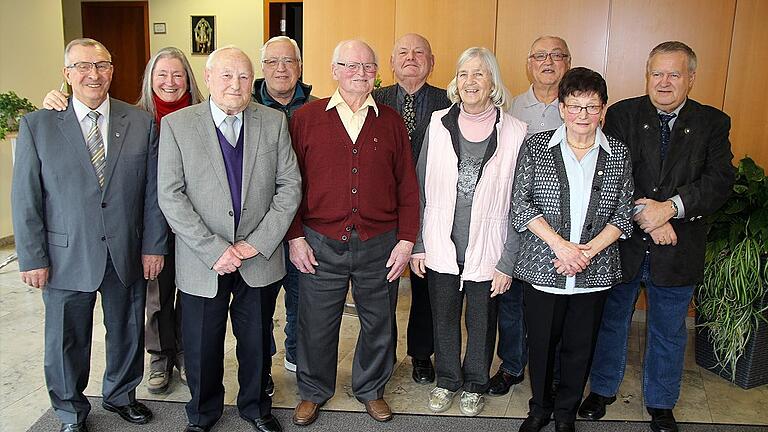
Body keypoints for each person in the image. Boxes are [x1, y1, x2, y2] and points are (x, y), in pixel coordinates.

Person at [12, 38, 168, 432]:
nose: (93, 74)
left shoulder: (140, 123)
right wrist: (32, 257)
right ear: (67, 75)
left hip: (125, 252)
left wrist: (152, 246)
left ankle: (120, 395)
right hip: (65, 255)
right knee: (67, 341)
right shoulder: (38, 124)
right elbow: (26, 197)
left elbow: (152, 192)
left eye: (101, 66)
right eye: (82, 66)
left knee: (128, 332)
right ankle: (69, 411)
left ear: (112, 71)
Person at [578, 41, 735, 432]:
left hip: (678, 247)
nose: (664, 82)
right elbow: (606, 174)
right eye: (657, 74)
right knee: (612, 321)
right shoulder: (621, 115)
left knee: (668, 329)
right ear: (647, 76)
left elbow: (718, 182)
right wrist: (647, 215)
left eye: (674, 74)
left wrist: (671, 208)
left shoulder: (713, 123)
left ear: (691, 78)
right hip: (623, 243)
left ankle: (661, 403)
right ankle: (601, 390)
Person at [42, 46, 205, 395]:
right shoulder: (136, 116)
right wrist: (57, 101)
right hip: (148, 225)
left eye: (178, 74)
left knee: (193, 297)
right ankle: (160, 355)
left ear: (190, 79)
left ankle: (187, 355)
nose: (170, 82)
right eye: (162, 74)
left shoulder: (206, 115)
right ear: (149, 79)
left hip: (197, 225)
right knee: (156, 296)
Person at [157, 45, 301, 432]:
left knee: (256, 340)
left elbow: (289, 187)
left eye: (242, 76)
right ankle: (203, 414)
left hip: (258, 257)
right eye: (225, 75)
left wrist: (257, 242)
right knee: (203, 345)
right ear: (207, 78)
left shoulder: (272, 122)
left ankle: (256, 408)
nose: (235, 84)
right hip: (203, 260)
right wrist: (213, 248)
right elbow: (170, 195)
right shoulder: (178, 125)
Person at [288, 39, 419, 426]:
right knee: (315, 321)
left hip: (380, 242)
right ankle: (313, 391)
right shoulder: (306, 119)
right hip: (319, 241)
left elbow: (408, 187)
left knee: (379, 320)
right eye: (350, 66)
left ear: (377, 73)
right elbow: (289, 184)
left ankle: (371, 389)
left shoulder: (392, 121)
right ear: (334, 70)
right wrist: (295, 236)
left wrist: (407, 240)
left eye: (367, 67)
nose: (360, 74)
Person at [512, 67, 634, 432]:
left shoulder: (618, 154)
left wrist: (586, 254)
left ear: (603, 109)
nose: (583, 115)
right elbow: (521, 204)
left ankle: (566, 414)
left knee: (579, 349)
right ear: (562, 108)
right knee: (542, 346)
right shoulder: (536, 147)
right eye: (575, 106)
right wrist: (561, 247)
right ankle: (539, 410)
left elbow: (623, 214)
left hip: (593, 273)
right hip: (544, 265)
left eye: (591, 107)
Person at [410, 47, 526, 416]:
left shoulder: (516, 131)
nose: (471, 81)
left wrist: (507, 261)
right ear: (455, 82)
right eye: (464, 74)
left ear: (493, 81)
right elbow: (420, 187)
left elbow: (521, 203)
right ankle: (447, 381)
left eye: (479, 73)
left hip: (489, 247)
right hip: (441, 243)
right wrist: (419, 243)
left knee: (481, 321)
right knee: (443, 318)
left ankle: (475, 382)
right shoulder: (438, 123)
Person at [490, 34, 572, 397]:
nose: (548, 62)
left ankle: (552, 371)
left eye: (557, 55)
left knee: (556, 305)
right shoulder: (510, 109)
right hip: (516, 219)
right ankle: (511, 366)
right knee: (511, 299)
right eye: (540, 55)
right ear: (529, 63)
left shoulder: (578, 108)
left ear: (567, 62)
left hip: (562, 228)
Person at [373, 33, 451, 384]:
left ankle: (421, 355)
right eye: (402, 52)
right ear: (391, 63)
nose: (411, 57)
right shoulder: (374, 100)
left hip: (433, 209)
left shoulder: (449, 102)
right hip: (383, 210)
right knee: (381, 286)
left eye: (420, 52)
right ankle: (380, 355)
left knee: (424, 285)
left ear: (432, 62)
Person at [252, 35, 317, 376]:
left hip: (304, 226)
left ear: (300, 67)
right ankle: (263, 366)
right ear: (262, 68)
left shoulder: (319, 108)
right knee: (259, 305)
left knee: (301, 297)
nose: (281, 68)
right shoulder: (244, 106)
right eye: (273, 62)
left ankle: (295, 354)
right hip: (257, 228)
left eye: (289, 61)